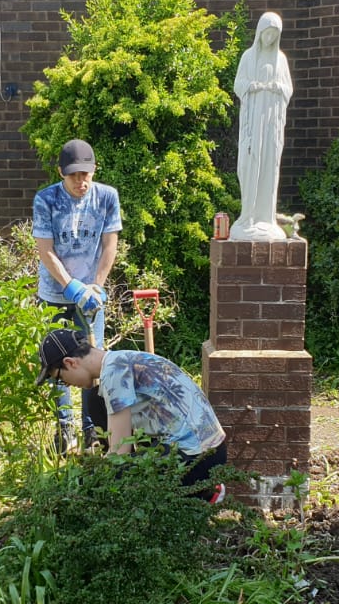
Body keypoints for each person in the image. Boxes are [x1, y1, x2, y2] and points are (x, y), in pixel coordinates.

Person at [35, 328, 227, 503]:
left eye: (60, 378)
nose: (65, 385)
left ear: (70, 363)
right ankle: (197, 492)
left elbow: (120, 453)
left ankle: (198, 496)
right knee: (96, 399)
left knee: (114, 476)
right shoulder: (121, 358)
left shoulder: (113, 375)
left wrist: (86, 481)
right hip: (212, 451)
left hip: (197, 459)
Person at [32, 138, 122, 451]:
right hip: (55, 295)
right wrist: (71, 286)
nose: (80, 181)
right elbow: (46, 250)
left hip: (91, 299)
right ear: (61, 173)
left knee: (90, 361)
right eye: (73, 175)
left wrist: (95, 286)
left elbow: (109, 245)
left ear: (94, 170)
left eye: (85, 174)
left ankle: (91, 431)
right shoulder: (46, 200)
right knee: (59, 363)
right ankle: (64, 429)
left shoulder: (107, 197)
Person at [231, 11, 294, 241]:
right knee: (250, 164)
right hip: (253, 122)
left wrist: (279, 88)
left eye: (273, 35)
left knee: (269, 164)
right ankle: (248, 216)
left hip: (272, 124)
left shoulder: (281, 60)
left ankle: (266, 218)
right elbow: (238, 84)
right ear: (260, 33)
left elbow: (288, 88)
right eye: (266, 33)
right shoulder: (249, 57)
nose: (269, 38)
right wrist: (253, 86)